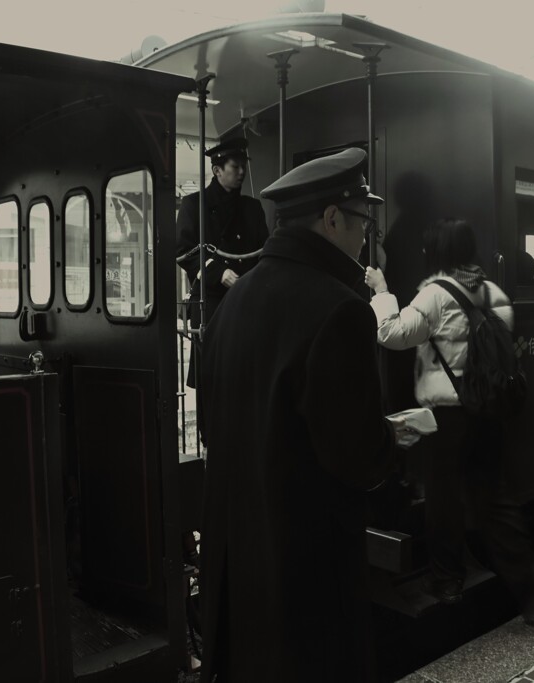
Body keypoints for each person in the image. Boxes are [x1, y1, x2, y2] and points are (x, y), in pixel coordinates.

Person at [197, 148, 408, 683]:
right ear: (332, 218)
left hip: (239, 571)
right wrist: (393, 438)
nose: (366, 235)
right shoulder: (340, 309)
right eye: (363, 220)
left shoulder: (232, 305)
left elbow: (210, 428)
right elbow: (357, 458)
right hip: (305, 574)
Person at [364, 219, 534, 621]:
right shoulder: (493, 292)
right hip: (488, 409)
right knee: (494, 497)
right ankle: (528, 575)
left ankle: (447, 580)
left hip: (448, 416)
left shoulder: (435, 294)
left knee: (443, 498)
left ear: (438, 254)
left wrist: (382, 293)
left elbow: (392, 334)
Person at [176, 137, 269, 384]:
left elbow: (264, 251)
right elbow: (183, 251)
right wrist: (218, 272)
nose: (241, 172)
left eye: (243, 167)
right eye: (235, 167)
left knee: (245, 376)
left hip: (247, 299)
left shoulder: (252, 208)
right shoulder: (193, 205)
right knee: (214, 377)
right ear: (217, 170)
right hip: (211, 300)